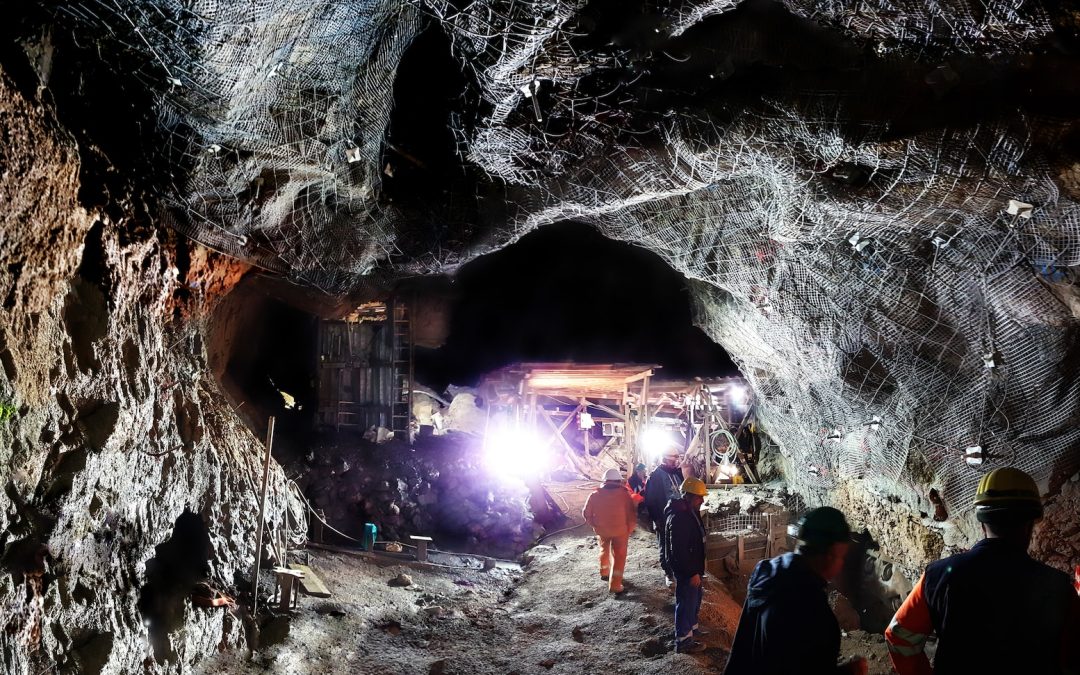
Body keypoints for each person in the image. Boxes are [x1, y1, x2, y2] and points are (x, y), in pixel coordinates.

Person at [885, 467, 1080, 675]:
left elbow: (899, 636)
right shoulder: (1059, 588)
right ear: (1030, 524)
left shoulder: (938, 575)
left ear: (981, 523)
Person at [723, 507, 868, 674]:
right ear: (830, 554)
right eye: (841, 556)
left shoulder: (766, 575)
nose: (841, 564)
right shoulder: (815, 614)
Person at [664, 477, 710, 654]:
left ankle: (692, 628)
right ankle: (683, 640)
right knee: (686, 601)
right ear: (689, 496)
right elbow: (680, 550)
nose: (702, 500)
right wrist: (692, 572)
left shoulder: (690, 511)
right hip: (686, 569)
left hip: (693, 567)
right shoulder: (680, 517)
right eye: (699, 497)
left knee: (694, 599)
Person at [582, 468, 638, 593]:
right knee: (619, 557)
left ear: (605, 481)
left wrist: (595, 525)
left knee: (603, 549)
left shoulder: (594, 495)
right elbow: (631, 515)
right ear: (619, 481)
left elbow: (586, 513)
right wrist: (629, 529)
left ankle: (604, 571)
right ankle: (615, 585)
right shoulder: (624, 495)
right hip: (620, 532)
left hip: (602, 531)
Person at [645, 447, 685, 585]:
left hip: (680, 517)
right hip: (663, 518)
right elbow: (650, 500)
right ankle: (668, 573)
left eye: (675, 460)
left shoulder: (677, 473)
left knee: (679, 545)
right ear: (664, 459)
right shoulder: (655, 476)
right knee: (665, 545)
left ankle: (679, 570)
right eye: (672, 460)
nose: (674, 463)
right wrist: (656, 519)